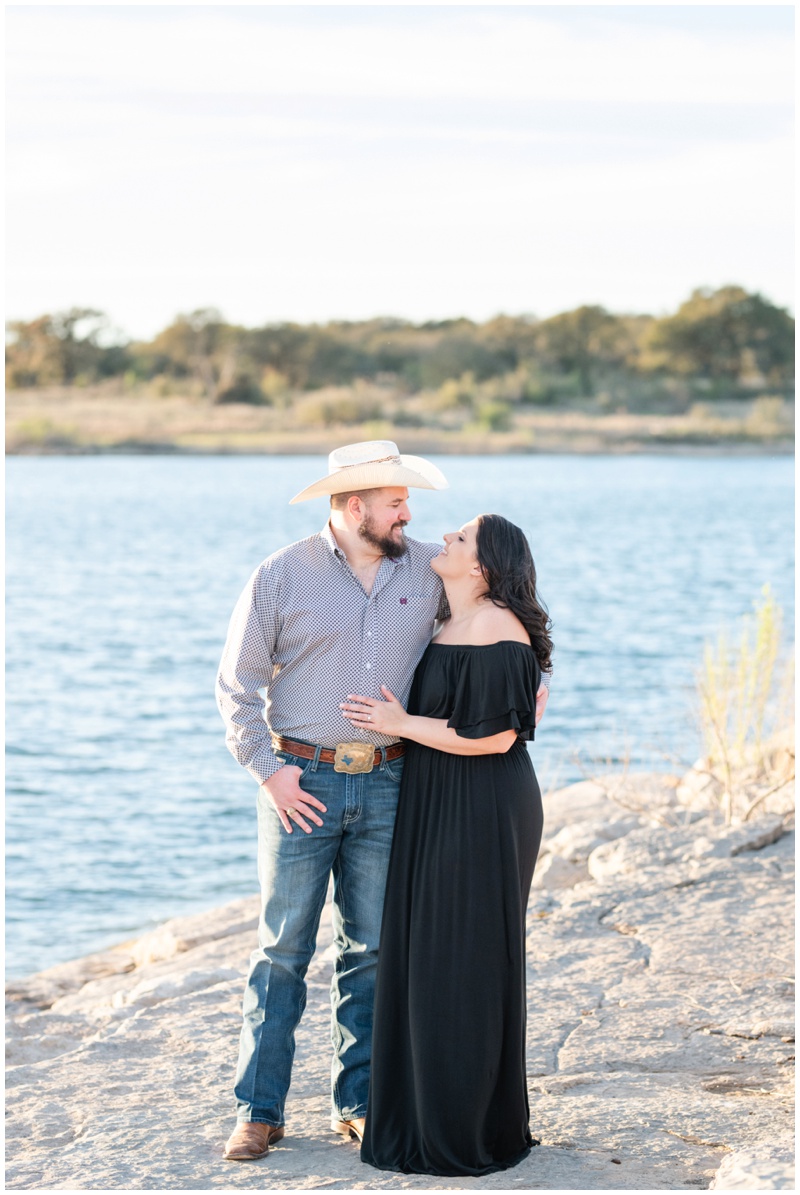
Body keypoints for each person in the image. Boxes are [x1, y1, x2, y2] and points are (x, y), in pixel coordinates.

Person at [215, 440, 450, 1160]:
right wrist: (269, 772)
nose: (407, 514)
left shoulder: (431, 566)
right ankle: (260, 1109)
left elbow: (501, 615)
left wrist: (531, 672)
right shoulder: (281, 575)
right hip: (300, 783)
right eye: (395, 502)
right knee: (283, 948)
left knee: (373, 949)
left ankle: (359, 1102)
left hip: (390, 779)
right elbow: (236, 688)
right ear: (355, 508)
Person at [340, 513, 553, 1177]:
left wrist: (401, 722)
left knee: (462, 959)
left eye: (459, 538)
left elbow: (494, 738)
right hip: (440, 800)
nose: (445, 540)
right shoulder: (450, 621)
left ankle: (463, 1127)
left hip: (483, 806)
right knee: (431, 954)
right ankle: (425, 1112)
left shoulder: (496, 626)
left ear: (483, 567)